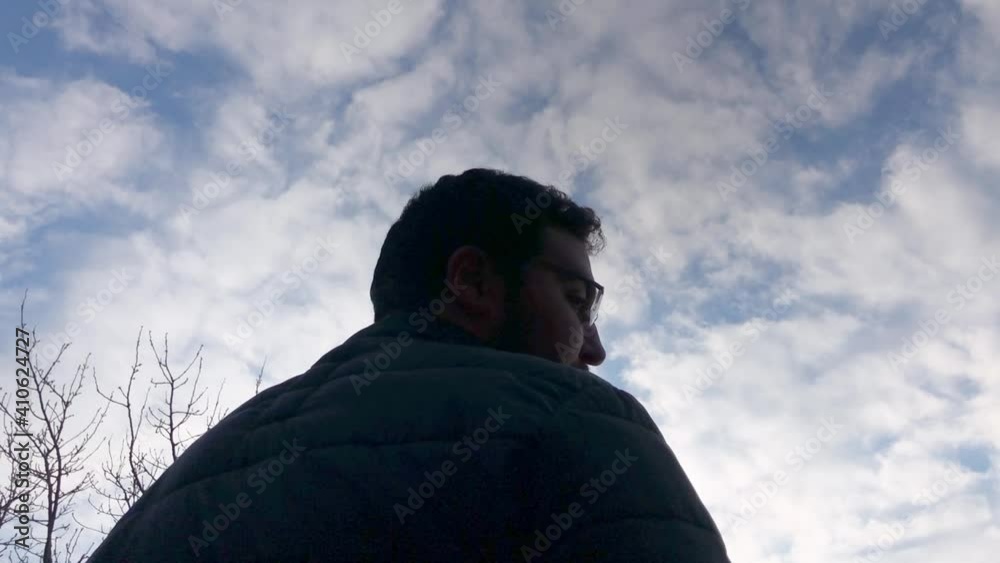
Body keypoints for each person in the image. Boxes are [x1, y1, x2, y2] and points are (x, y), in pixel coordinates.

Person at [88, 168, 731, 562]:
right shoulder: (574, 418)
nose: (594, 348)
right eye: (577, 300)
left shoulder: (179, 488)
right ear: (472, 281)